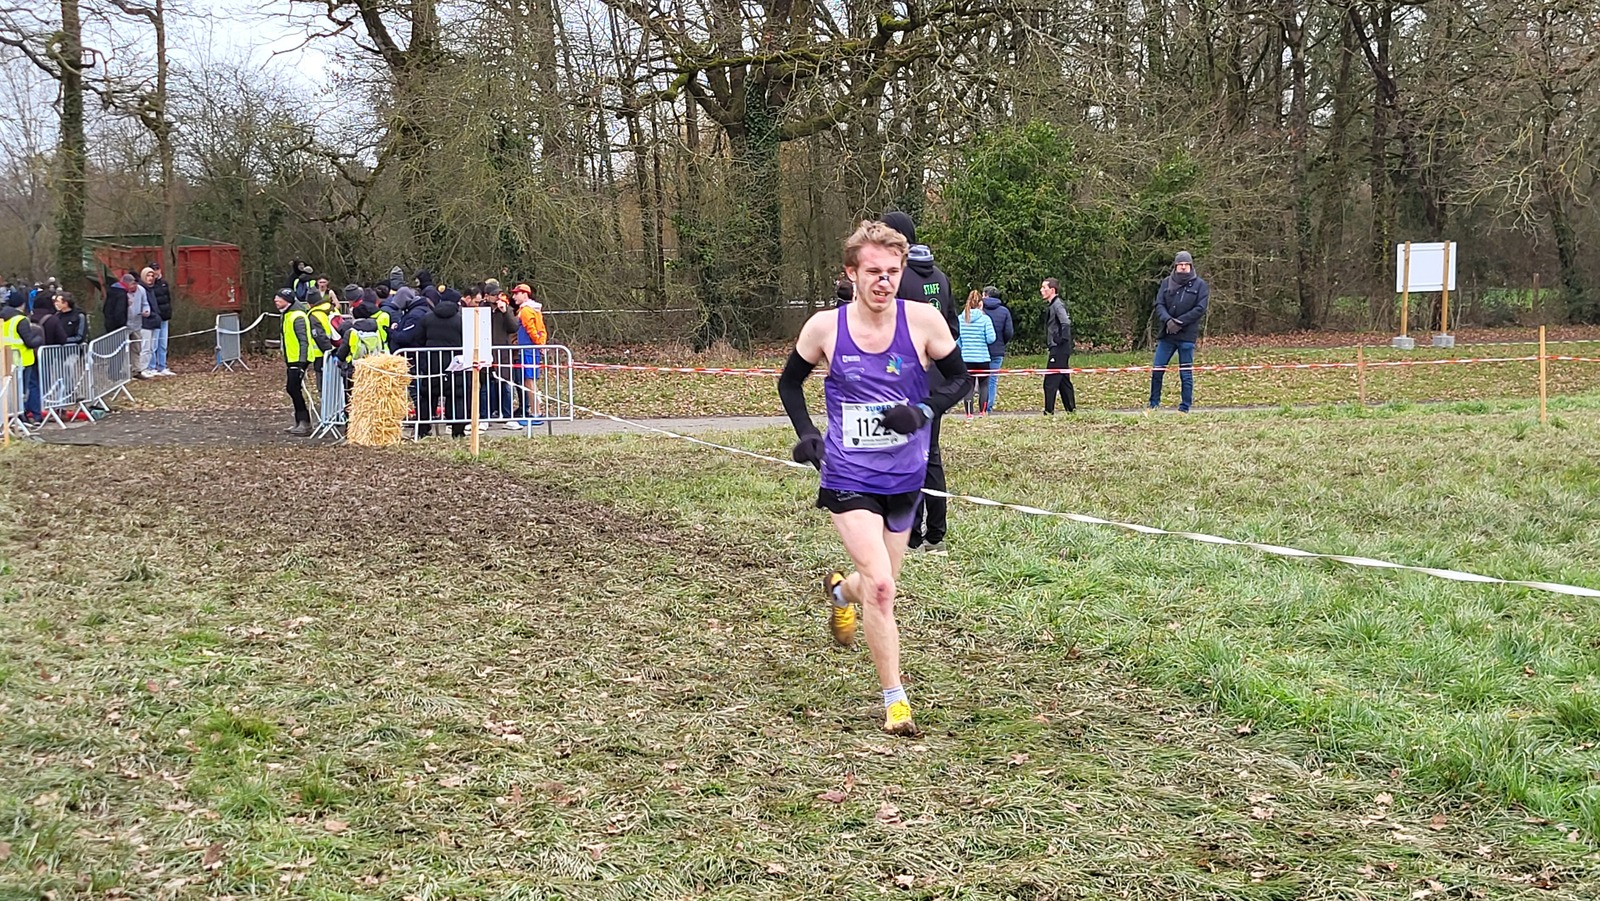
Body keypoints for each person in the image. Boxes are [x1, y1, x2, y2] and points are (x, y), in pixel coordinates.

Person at [776, 220, 972, 737]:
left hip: (905, 476)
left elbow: (961, 379)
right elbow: (790, 384)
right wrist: (808, 435)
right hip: (848, 474)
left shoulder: (924, 321)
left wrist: (922, 412)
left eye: (892, 272)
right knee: (883, 589)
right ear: (852, 274)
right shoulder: (825, 328)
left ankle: (842, 593)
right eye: (873, 272)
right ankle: (895, 701)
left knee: (878, 582)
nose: (883, 281)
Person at [880, 210, 956, 556]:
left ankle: (909, 534)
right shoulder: (940, 276)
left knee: (906, 455)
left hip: (906, 377)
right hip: (939, 376)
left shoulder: (898, 278)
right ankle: (935, 534)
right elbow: (952, 328)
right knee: (931, 453)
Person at [1149, 250, 1210, 413]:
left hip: (1187, 336)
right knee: (1157, 370)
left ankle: (1185, 407)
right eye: (1180, 264)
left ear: (1191, 266)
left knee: (1185, 373)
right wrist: (1168, 320)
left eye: (1186, 264)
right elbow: (1159, 304)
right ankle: (1153, 404)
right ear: (1175, 266)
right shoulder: (1166, 282)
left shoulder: (1200, 285)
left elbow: (1200, 308)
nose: (1183, 267)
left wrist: (1180, 322)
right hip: (1167, 335)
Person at [416, 287, 465, 438]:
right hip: (456, 364)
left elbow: (419, 339)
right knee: (457, 396)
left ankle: (423, 429)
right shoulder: (461, 320)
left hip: (432, 363)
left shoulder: (427, 318)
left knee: (427, 396)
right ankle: (458, 430)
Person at [1, 290, 45, 423]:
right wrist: (39, 338)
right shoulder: (20, 320)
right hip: (23, 359)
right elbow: (29, 342)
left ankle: (12, 415)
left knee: (10, 390)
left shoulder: (3, 319)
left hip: (6, 359)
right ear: (23, 304)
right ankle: (32, 415)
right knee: (29, 387)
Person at [275, 288, 314, 436]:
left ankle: (304, 422)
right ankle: (300, 421)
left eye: (279, 298)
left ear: (288, 300)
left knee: (293, 388)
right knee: (293, 389)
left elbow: (304, 341)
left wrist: (301, 364)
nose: (276, 300)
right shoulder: (287, 314)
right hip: (292, 358)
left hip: (298, 360)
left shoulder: (297, 316)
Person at [957, 290, 997, 418]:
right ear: (980, 303)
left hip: (966, 358)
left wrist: (964, 347)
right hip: (982, 358)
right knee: (984, 385)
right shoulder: (985, 319)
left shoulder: (961, 319)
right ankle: (982, 412)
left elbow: (957, 339)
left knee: (969, 386)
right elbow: (991, 338)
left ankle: (969, 414)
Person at [512, 284, 548, 427]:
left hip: (528, 349)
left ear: (525, 294)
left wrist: (539, 344)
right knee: (530, 380)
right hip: (531, 348)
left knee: (529, 381)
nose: (514, 297)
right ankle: (536, 412)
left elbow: (531, 330)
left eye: (517, 294)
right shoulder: (535, 309)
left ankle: (535, 413)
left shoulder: (526, 310)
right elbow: (542, 330)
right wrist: (541, 344)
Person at [1041, 278, 1075, 414]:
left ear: (1052, 290)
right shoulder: (1052, 305)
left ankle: (1048, 411)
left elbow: (1065, 322)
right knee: (1063, 381)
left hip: (1059, 348)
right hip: (1058, 347)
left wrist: (1061, 339)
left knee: (1050, 381)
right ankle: (1071, 410)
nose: (1041, 290)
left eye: (1044, 288)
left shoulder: (1057, 305)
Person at [980, 286, 1014, 412]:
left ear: (985, 295)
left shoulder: (979, 310)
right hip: (997, 350)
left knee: (980, 379)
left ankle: (978, 406)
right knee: (992, 380)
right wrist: (1001, 343)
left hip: (981, 350)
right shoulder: (1004, 311)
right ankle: (988, 408)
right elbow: (1009, 332)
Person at [147, 260, 175, 375]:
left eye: (157, 269)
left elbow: (168, 299)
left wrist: (168, 312)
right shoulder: (149, 286)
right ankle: (152, 367)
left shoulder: (164, 283)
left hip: (164, 317)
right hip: (155, 318)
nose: (156, 272)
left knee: (163, 344)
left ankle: (162, 366)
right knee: (153, 345)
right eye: (153, 270)